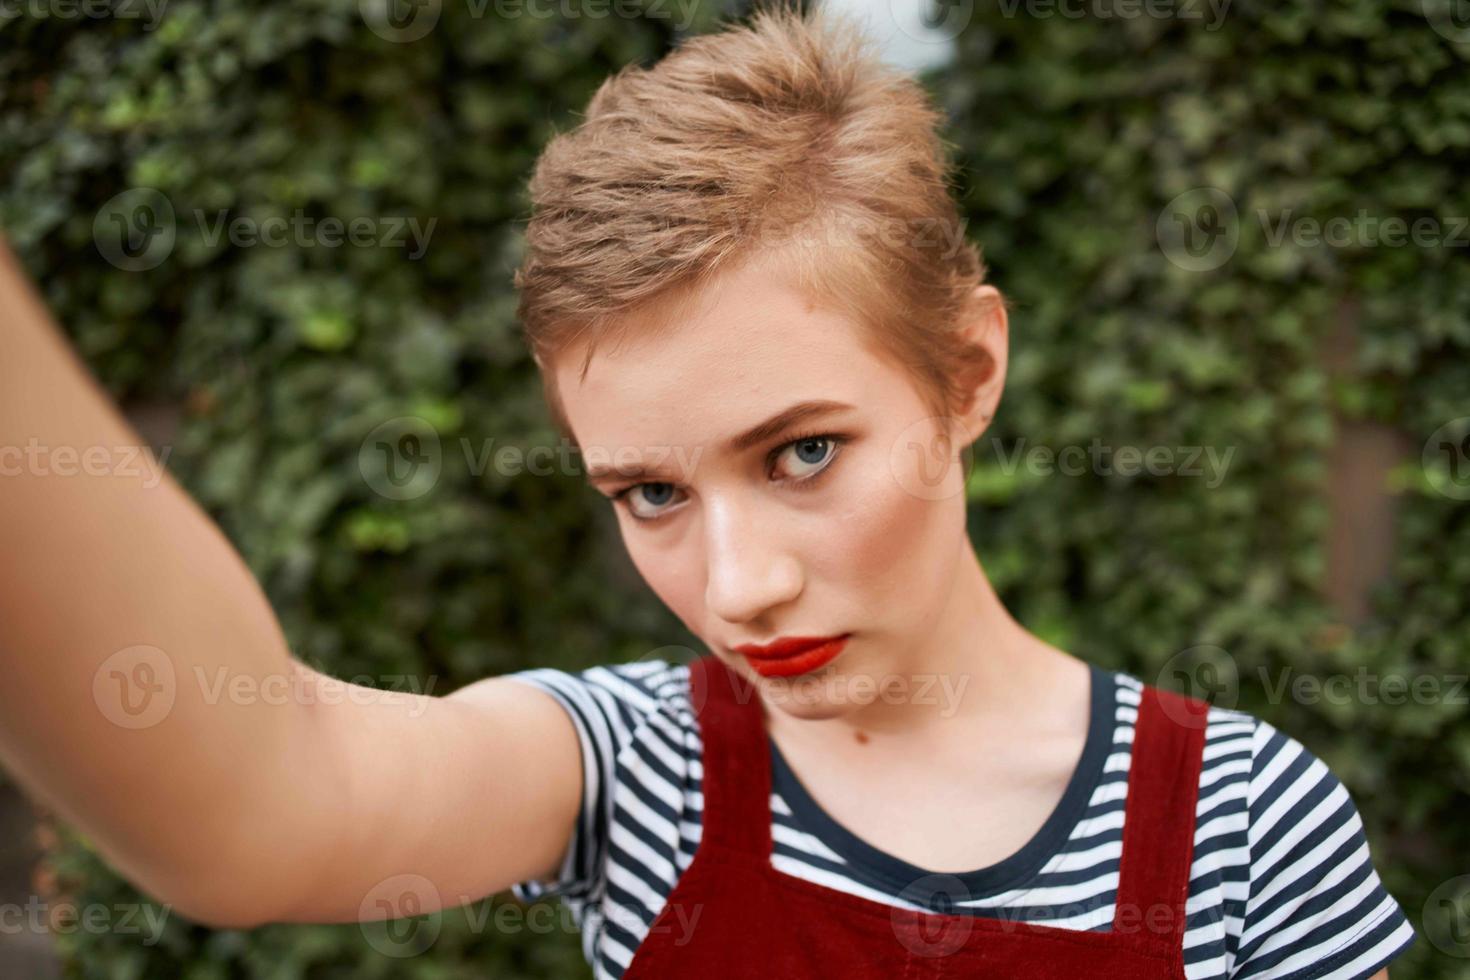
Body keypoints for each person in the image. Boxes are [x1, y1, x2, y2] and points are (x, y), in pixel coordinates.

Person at [0, 4, 1414, 978]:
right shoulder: (633, 775)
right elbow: (263, 806)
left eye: (802, 452)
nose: (738, 589)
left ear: (967, 371)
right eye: (650, 494)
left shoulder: (1236, 820)